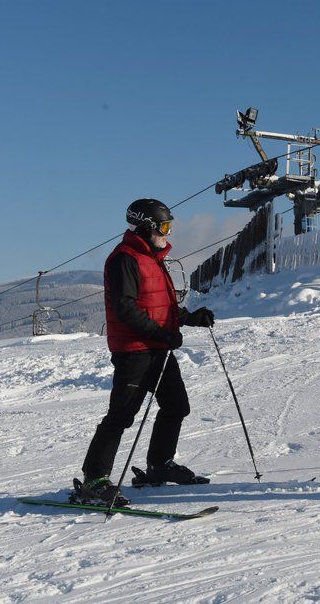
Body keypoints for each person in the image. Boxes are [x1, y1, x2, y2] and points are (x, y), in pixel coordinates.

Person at [76, 198, 215, 505]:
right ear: (147, 227)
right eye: (164, 227)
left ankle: (159, 464)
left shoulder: (152, 258)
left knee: (176, 405)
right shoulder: (124, 259)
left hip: (157, 348)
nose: (168, 233)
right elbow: (125, 308)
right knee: (121, 415)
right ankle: (94, 480)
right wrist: (161, 334)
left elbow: (159, 305)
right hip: (135, 351)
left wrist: (189, 318)